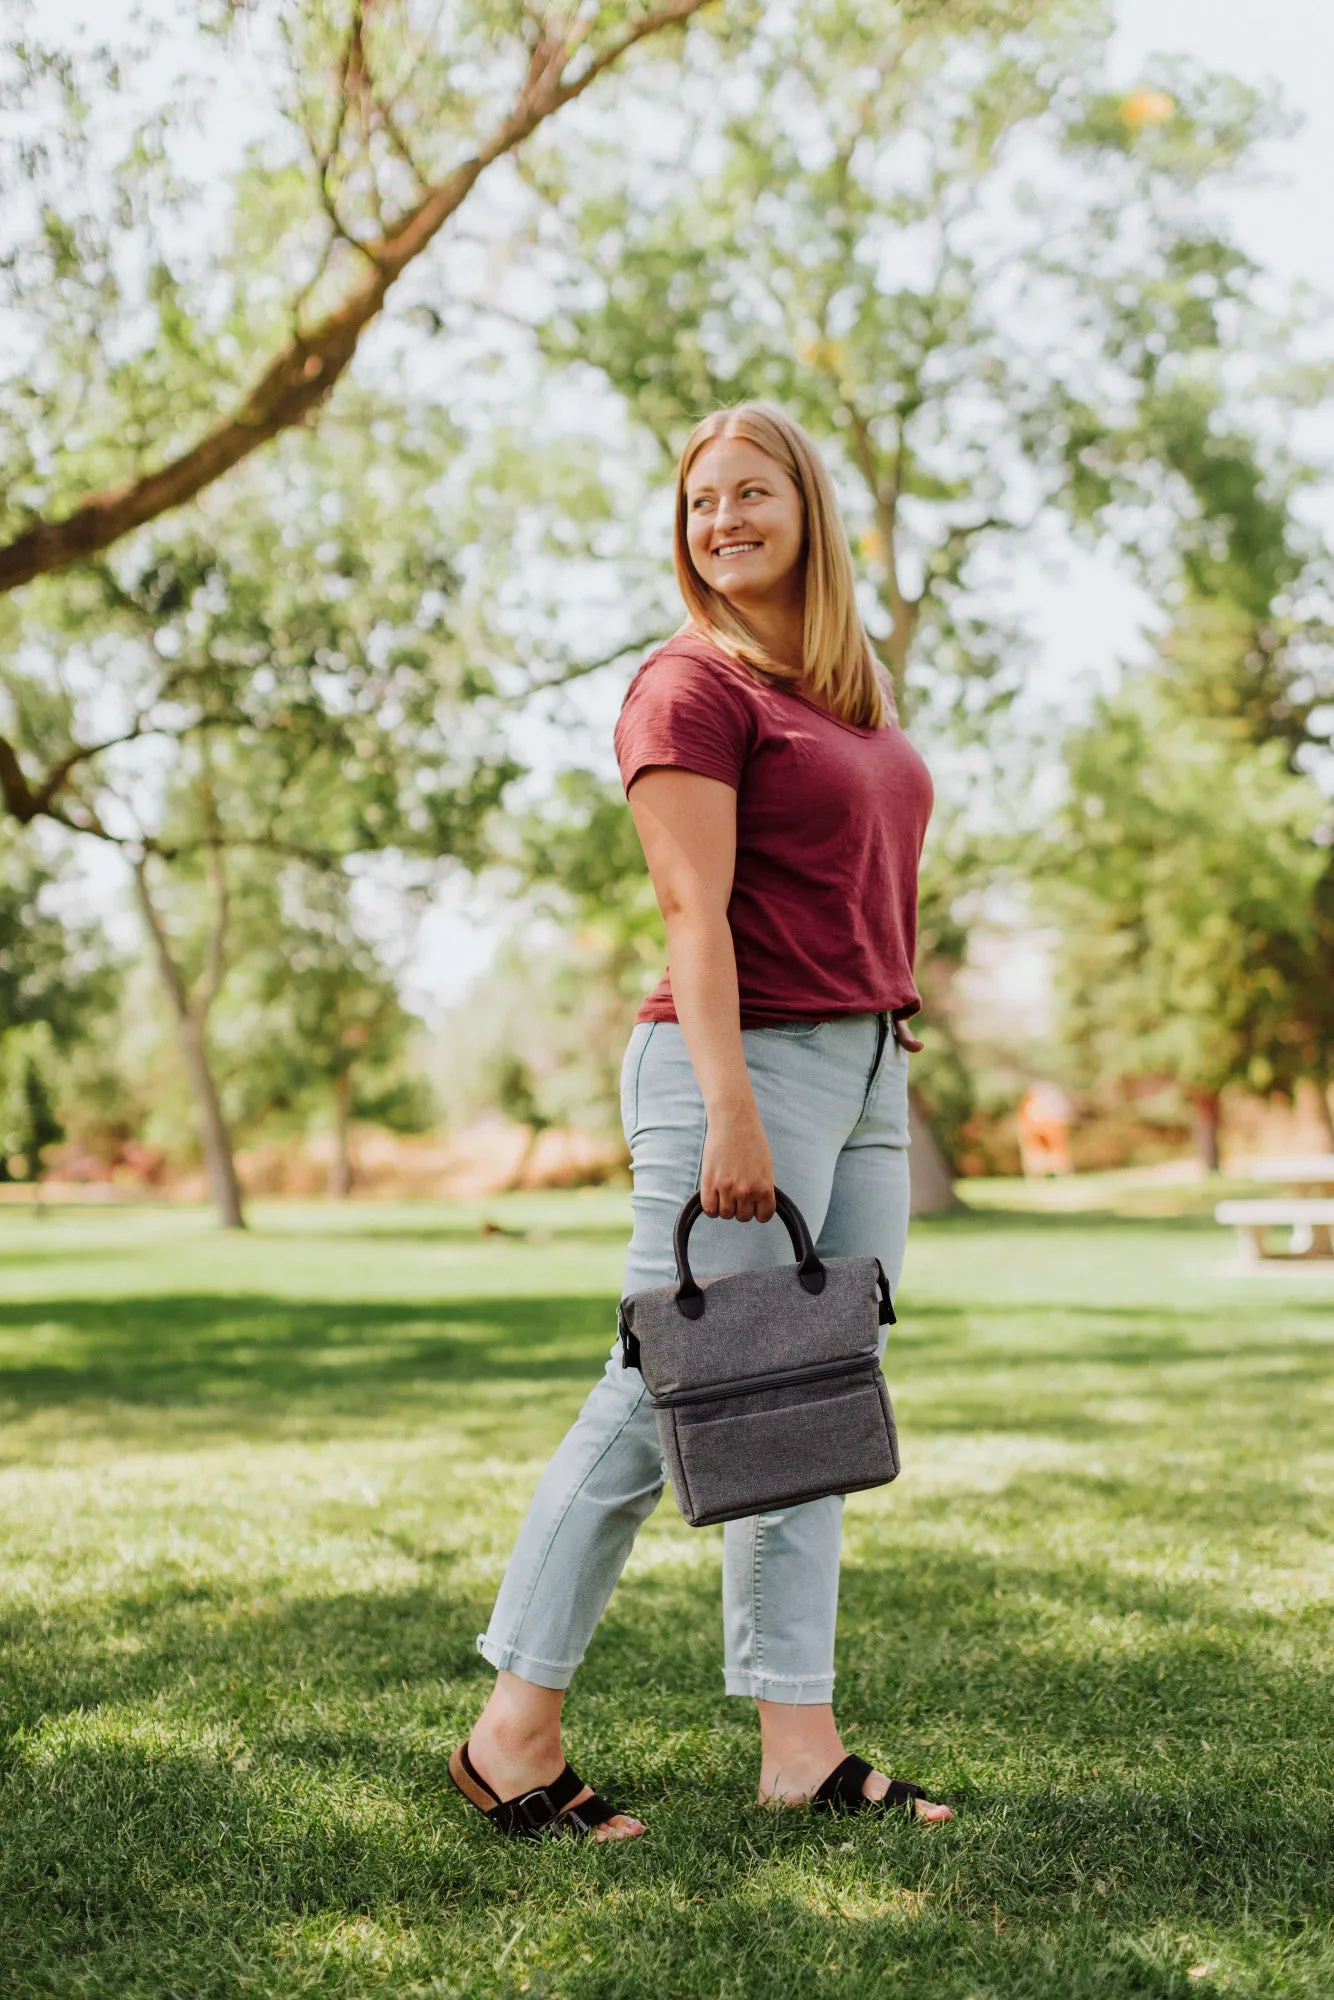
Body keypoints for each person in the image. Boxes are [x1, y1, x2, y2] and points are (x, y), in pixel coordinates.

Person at [450, 403, 951, 1841]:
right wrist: (731, 1107)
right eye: (697, 502)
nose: (719, 519)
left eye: (748, 492)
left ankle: (799, 1744)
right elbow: (691, 913)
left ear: (807, 507)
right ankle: (510, 1731)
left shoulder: (842, 695)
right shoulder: (689, 685)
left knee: (814, 1400)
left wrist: (874, 1050)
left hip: (860, 1066)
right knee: (661, 1386)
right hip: (738, 1068)